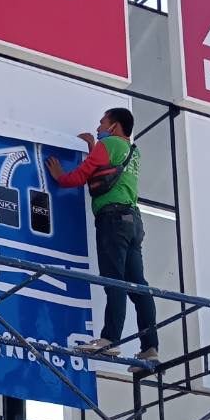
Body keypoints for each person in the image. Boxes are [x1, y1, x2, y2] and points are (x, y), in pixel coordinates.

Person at [46, 107, 158, 363]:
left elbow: (81, 176)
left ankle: (109, 340)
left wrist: (60, 176)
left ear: (114, 126)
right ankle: (151, 347)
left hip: (112, 220)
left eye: (101, 124)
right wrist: (93, 147)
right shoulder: (133, 151)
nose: (98, 128)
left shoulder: (107, 146)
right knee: (139, 285)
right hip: (133, 221)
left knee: (113, 280)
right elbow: (108, 173)